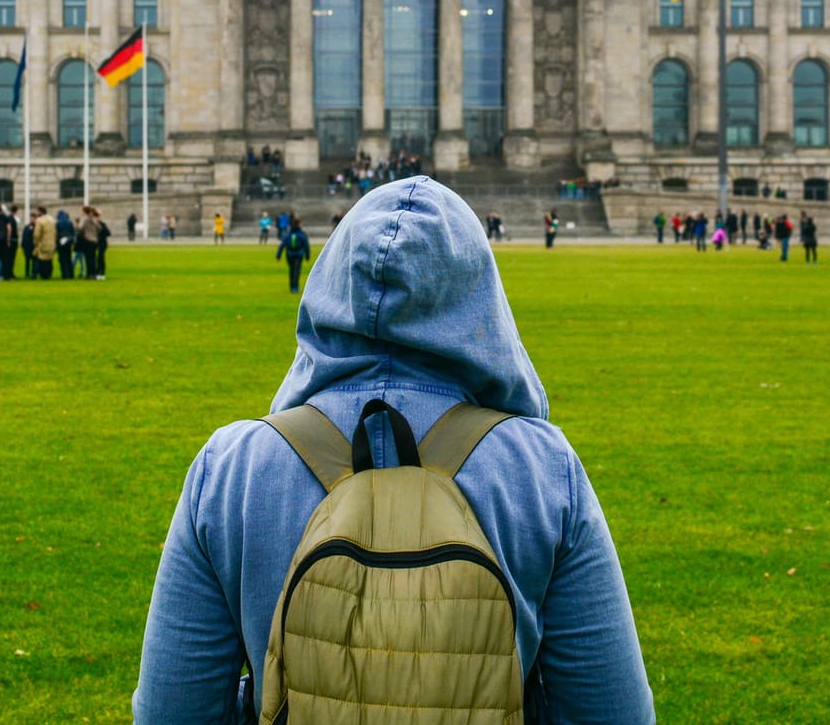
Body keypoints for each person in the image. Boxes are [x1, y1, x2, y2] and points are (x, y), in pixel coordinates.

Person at [133, 178, 653, 721]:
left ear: (332, 283)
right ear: (478, 292)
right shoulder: (543, 470)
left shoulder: (232, 468)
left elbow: (172, 708)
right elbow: (614, 710)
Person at [275, 216, 311, 292]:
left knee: (291, 270)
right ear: (298, 224)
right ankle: (295, 287)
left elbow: (282, 245)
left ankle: (292, 286)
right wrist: (307, 256)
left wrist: (278, 256)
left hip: (290, 254)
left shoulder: (288, 234)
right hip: (299, 254)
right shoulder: (301, 234)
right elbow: (306, 245)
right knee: (296, 271)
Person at [55, 209, 77, 279]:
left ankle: (65, 274)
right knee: (69, 259)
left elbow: (56, 234)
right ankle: (71, 274)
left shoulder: (57, 223)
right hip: (68, 243)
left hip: (60, 244)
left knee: (62, 260)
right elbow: (73, 233)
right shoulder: (69, 222)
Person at [91, 206, 112, 280]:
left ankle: (101, 272)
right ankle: (98, 271)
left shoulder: (102, 224)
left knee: (100, 258)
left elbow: (108, 233)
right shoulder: (95, 224)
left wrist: (100, 235)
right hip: (97, 243)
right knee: (97, 258)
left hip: (102, 243)